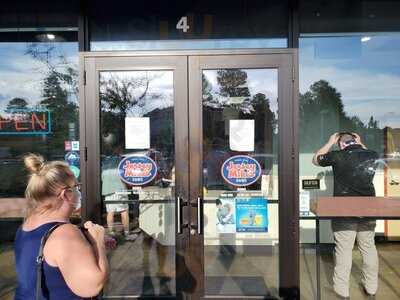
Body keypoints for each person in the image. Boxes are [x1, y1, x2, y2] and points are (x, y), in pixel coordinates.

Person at [14, 154, 108, 300]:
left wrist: (86, 242)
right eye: (76, 187)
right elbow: (92, 287)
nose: (79, 192)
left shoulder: (27, 225)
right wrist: (98, 241)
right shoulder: (65, 234)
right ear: (65, 194)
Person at [313, 132, 379, 299]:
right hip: (368, 211)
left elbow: (316, 159)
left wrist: (330, 141)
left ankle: (342, 292)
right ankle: (371, 289)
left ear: (341, 144)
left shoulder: (337, 156)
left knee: (344, 251)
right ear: (355, 141)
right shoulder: (372, 155)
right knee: (368, 248)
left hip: (344, 212)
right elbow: (366, 152)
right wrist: (360, 142)